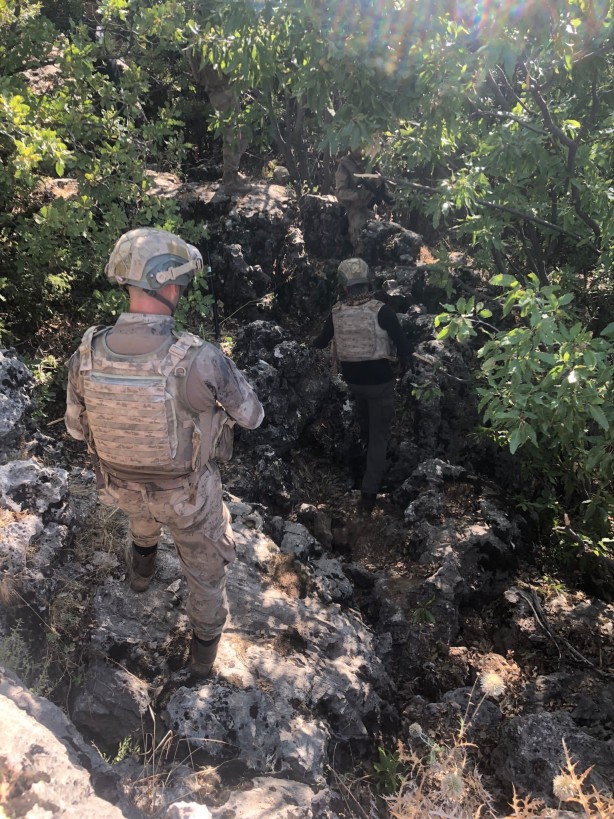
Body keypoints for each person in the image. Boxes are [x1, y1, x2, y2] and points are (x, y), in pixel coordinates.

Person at [65, 228, 264, 677]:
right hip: (187, 498)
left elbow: (77, 430)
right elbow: (253, 416)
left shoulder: (88, 352)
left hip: (121, 489)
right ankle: (203, 659)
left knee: (142, 509)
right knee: (205, 568)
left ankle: (140, 574)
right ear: (170, 285)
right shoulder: (201, 358)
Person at [313, 258, 411, 513]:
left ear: (344, 287)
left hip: (352, 383)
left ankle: (360, 470)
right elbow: (404, 347)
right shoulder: (383, 311)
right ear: (369, 282)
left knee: (366, 428)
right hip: (380, 385)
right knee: (379, 437)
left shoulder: (336, 313)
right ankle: (368, 495)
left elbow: (321, 342)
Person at [189, 57, 252, 194]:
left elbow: (197, 75)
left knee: (238, 131)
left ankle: (232, 171)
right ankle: (230, 179)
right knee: (232, 133)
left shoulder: (199, 42)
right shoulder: (203, 44)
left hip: (225, 89)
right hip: (221, 91)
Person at [335, 147, 392, 250]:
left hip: (373, 207)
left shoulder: (372, 161)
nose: (359, 148)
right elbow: (340, 192)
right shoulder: (345, 165)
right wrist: (359, 194)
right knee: (360, 236)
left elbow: (382, 182)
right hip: (355, 208)